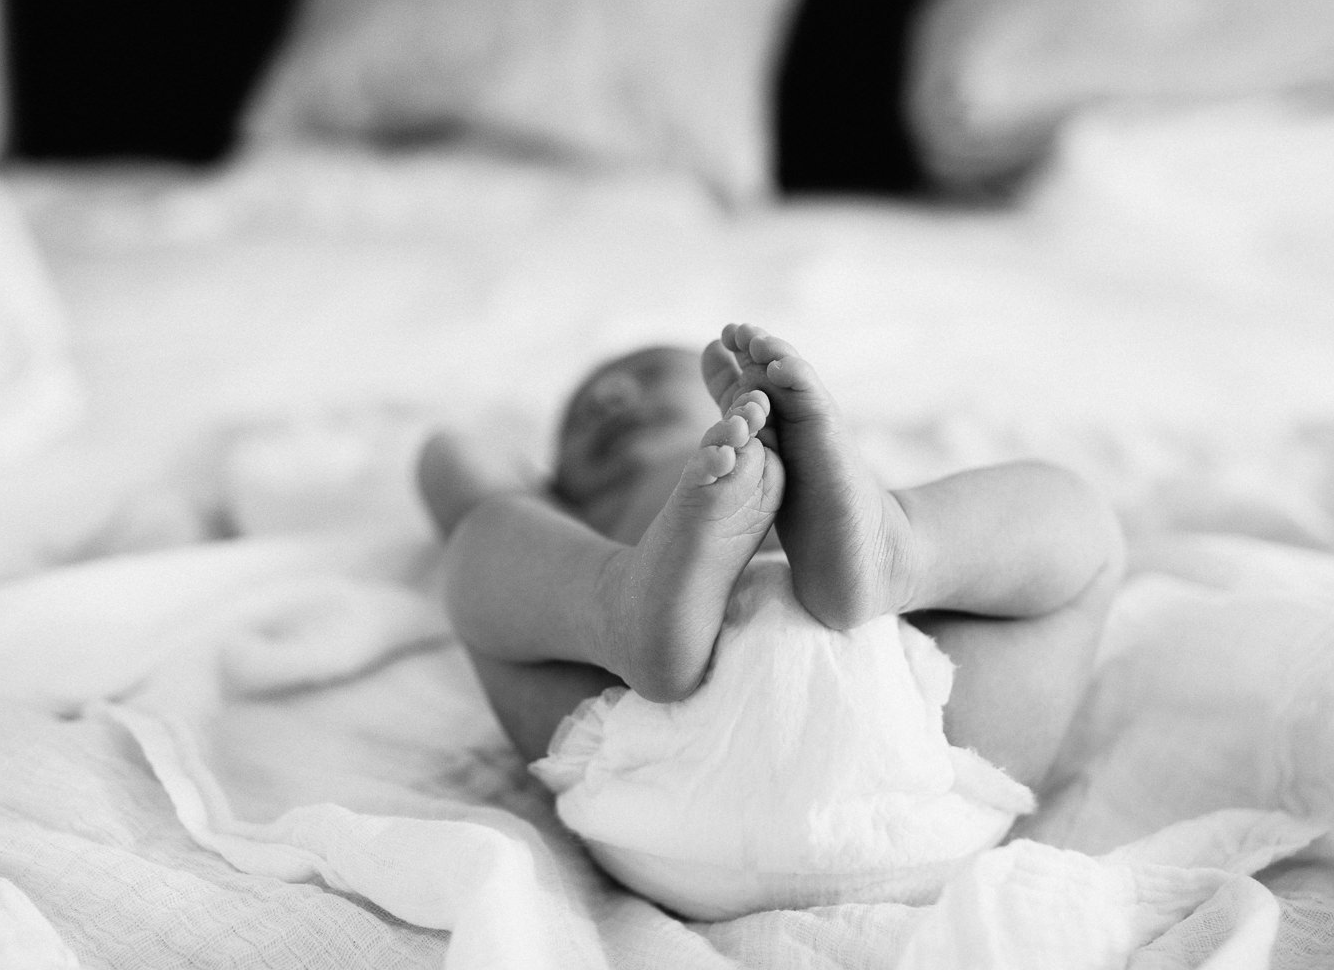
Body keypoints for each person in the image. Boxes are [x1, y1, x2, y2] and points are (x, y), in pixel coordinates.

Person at [417, 323, 1124, 793]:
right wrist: (528, 500)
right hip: (918, 767)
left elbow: (465, 488)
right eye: (579, 417)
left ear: (740, 405)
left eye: (646, 375)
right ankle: (628, 606)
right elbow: (454, 457)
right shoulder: (566, 519)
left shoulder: (809, 467)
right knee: (1080, 535)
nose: (611, 394)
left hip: (675, 785)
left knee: (483, 549)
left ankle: (894, 552)